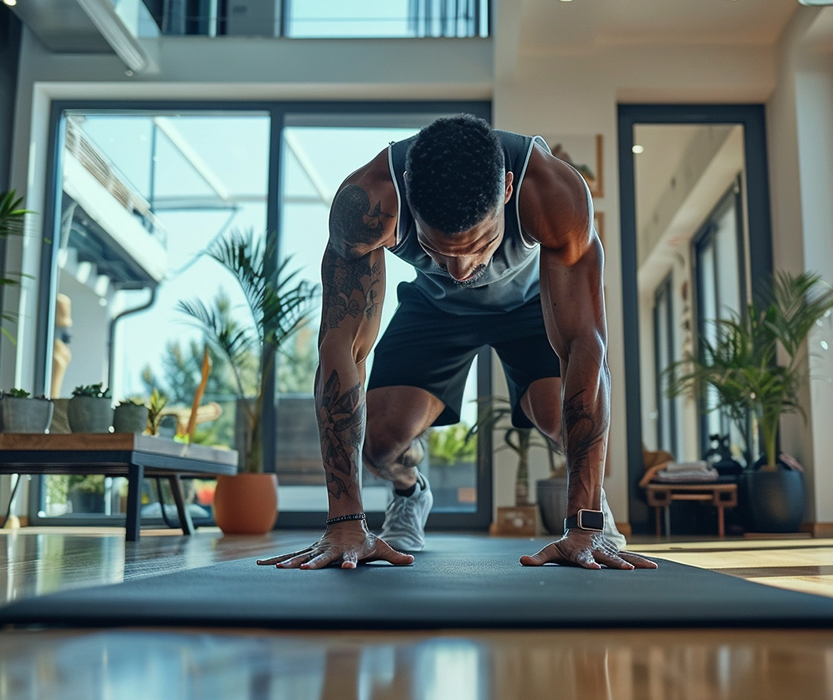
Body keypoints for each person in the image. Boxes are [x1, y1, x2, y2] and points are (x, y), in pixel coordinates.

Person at [257, 115, 657, 571]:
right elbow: (340, 349)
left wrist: (581, 524)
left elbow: (587, 346)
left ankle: (593, 506)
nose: (462, 270)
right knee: (379, 444)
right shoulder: (368, 203)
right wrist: (346, 520)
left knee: (561, 415)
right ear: (407, 194)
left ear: (508, 190)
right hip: (435, 307)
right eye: (437, 249)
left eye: (481, 243)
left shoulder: (551, 191)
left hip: (529, 305)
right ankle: (410, 493)